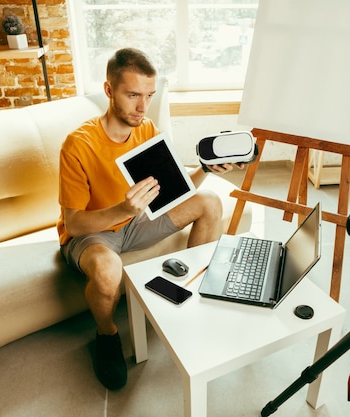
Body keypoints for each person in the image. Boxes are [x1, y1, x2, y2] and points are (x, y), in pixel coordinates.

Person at [57, 47, 241, 390]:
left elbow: (175, 191)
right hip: (94, 233)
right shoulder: (78, 144)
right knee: (109, 269)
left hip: (137, 220)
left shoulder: (146, 129)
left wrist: (204, 169)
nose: (143, 107)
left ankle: (193, 296)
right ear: (109, 91)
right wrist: (123, 211)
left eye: (149, 96)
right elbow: (74, 225)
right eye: (133, 95)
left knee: (210, 201)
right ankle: (107, 335)